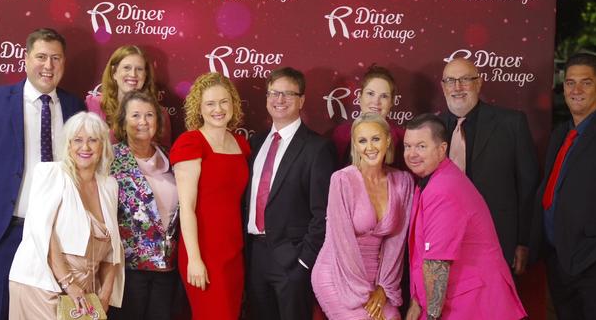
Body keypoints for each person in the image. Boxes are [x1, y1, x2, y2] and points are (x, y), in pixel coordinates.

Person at [0, 28, 85, 320]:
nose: (48, 65)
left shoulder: (74, 106)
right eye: (41, 56)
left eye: (56, 58)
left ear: (64, 63)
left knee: (50, 313)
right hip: (5, 228)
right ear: (26, 59)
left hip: (58, 233)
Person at [403, 113, 526, 320]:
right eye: (408, 146)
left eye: (421, 146)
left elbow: (436, 263)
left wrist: (430, 316)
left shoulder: (443, 189)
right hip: (462, 302)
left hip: (478, 306)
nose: (412, 153)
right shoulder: (430, 180)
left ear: (442, 149)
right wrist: (416, 301)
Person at [8, 111, 124, 319]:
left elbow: (113, 247)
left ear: (103, 146)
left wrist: (105, 295)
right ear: (68, 145)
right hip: (42, 283)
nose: (85, 147)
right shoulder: (51, 173)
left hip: (85, 290)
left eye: (93, 140)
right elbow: (43, 231)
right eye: (77, 140)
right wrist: (69, 284)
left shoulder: (109, 185)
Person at [244, 67, 337, 320]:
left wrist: (303, 262)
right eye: (274, 93)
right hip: (255, 256)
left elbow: (324, 214)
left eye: (288, 94)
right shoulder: (255, 143)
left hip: (292, 260)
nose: (279, 100)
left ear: (302, 100)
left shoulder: (318, 148)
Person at [438, 57, 539, 274]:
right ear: (443, 87)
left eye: (465, 79)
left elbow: (528, 187)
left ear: (479, 82)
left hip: (498, 241)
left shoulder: (512, 124)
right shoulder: (432, 128)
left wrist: (523, 241)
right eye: (451, 81)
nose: (457, 87)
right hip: (446, 242)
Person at [312, 113, 413, 320]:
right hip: (337, 273)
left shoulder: (403, 182)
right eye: (362, 141)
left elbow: (396, 244)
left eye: (375, 139)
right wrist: (362, 293)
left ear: (387, 140)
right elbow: (342, 244)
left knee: (393, 317)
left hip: (376, 279)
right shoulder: (342, 180)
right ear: (355, 146)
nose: (370, 147)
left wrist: (383, 287)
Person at [536, 53, 596, 319]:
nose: (576, 90)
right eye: (570, 83)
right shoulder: (561, 134)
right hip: (559, 261)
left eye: (586, 83)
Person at [169, 72, 250, 319]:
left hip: (233, 250)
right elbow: (187, 207)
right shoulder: (190, 143)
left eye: (224, 102)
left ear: (233, 104)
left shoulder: (241, 144)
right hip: (204, 251)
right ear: (199, 108)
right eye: (210, 103)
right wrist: (194, 258)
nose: (218, 109)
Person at [108, 91, 181, 320]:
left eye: (149, 115)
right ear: (122, 121)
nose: (143, 122)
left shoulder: (172, 157)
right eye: (135, 115)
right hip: (129, 270)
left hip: (168, 268)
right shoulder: (110, 159)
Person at [86, 45, 172, 147]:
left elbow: (165, 154)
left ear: (146, 75)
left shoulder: (160, 113)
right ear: (114, 72)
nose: (133, 74)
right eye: (127, 68)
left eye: (139, 69)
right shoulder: (94, 105)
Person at [332, 65, 406, 169]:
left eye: (384, 96)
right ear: (360, 97)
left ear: (392, 102)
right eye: (370, 94)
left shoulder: (403, 138)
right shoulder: (340, 135)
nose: (376, 102)